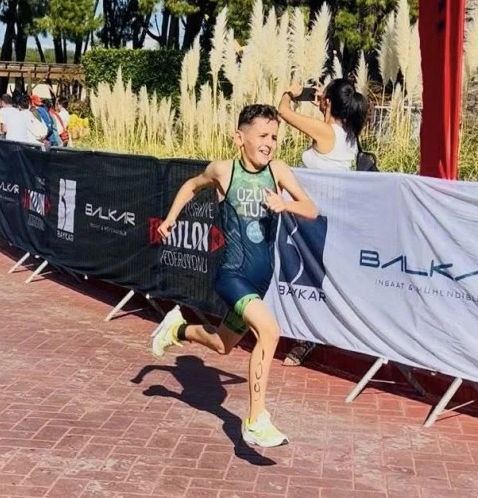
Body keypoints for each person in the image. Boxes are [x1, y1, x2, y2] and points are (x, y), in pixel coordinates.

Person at [150, 104, 318, 448]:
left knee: (222, 345)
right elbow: (191, 185)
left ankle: (176, 328)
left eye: (274, 137)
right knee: (269, 332)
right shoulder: (224, 171)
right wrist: (170, 219)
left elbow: (311, 209)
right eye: (263, 135)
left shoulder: (278, 171)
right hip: (232, 275)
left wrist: (285, 204)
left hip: (260, 280)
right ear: (239, 138)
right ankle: (255, 420)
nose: (269, 143)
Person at [276, 78, 368, 367]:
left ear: (328, 101)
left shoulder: (326, 131)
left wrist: (290, 93)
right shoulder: (348, 134)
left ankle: (306, 339)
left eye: (323, 94)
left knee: (308, 279)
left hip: (313, 217)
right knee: (314, 279)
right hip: (327, 215)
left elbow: (283, 112)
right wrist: (324, 106)